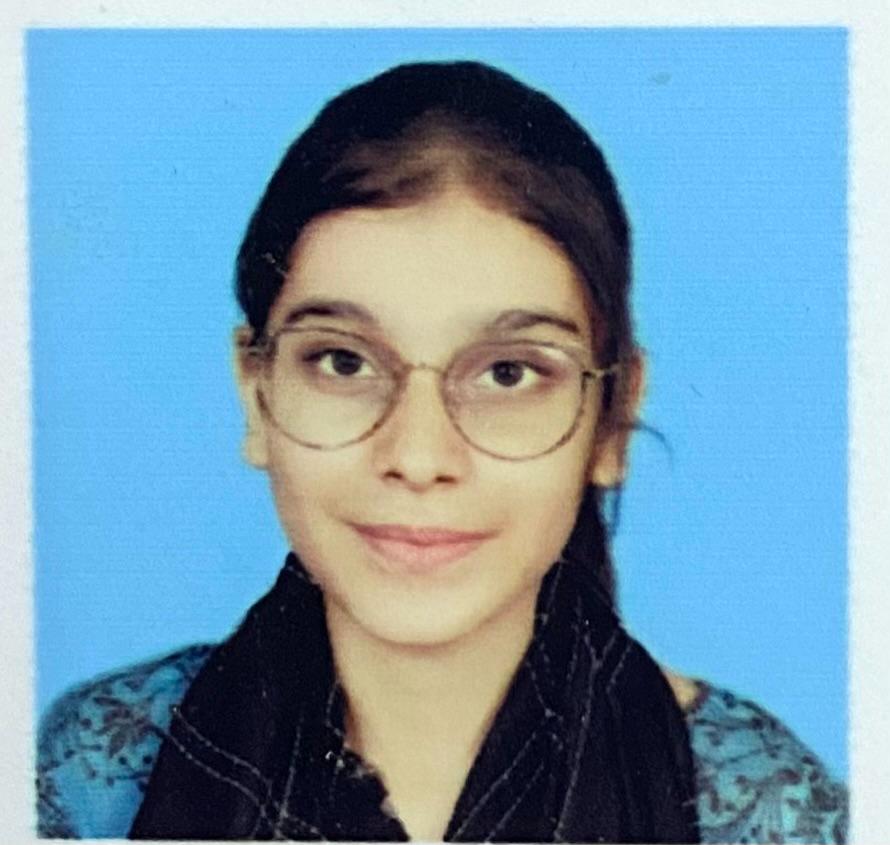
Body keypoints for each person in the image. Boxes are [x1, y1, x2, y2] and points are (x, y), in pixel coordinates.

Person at [35, 60, 847, 843]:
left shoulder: (767, 811)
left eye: (508, 372)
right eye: (343, 361)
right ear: (257, 394)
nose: (419, 457)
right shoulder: (90, 780)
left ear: (612, 419)